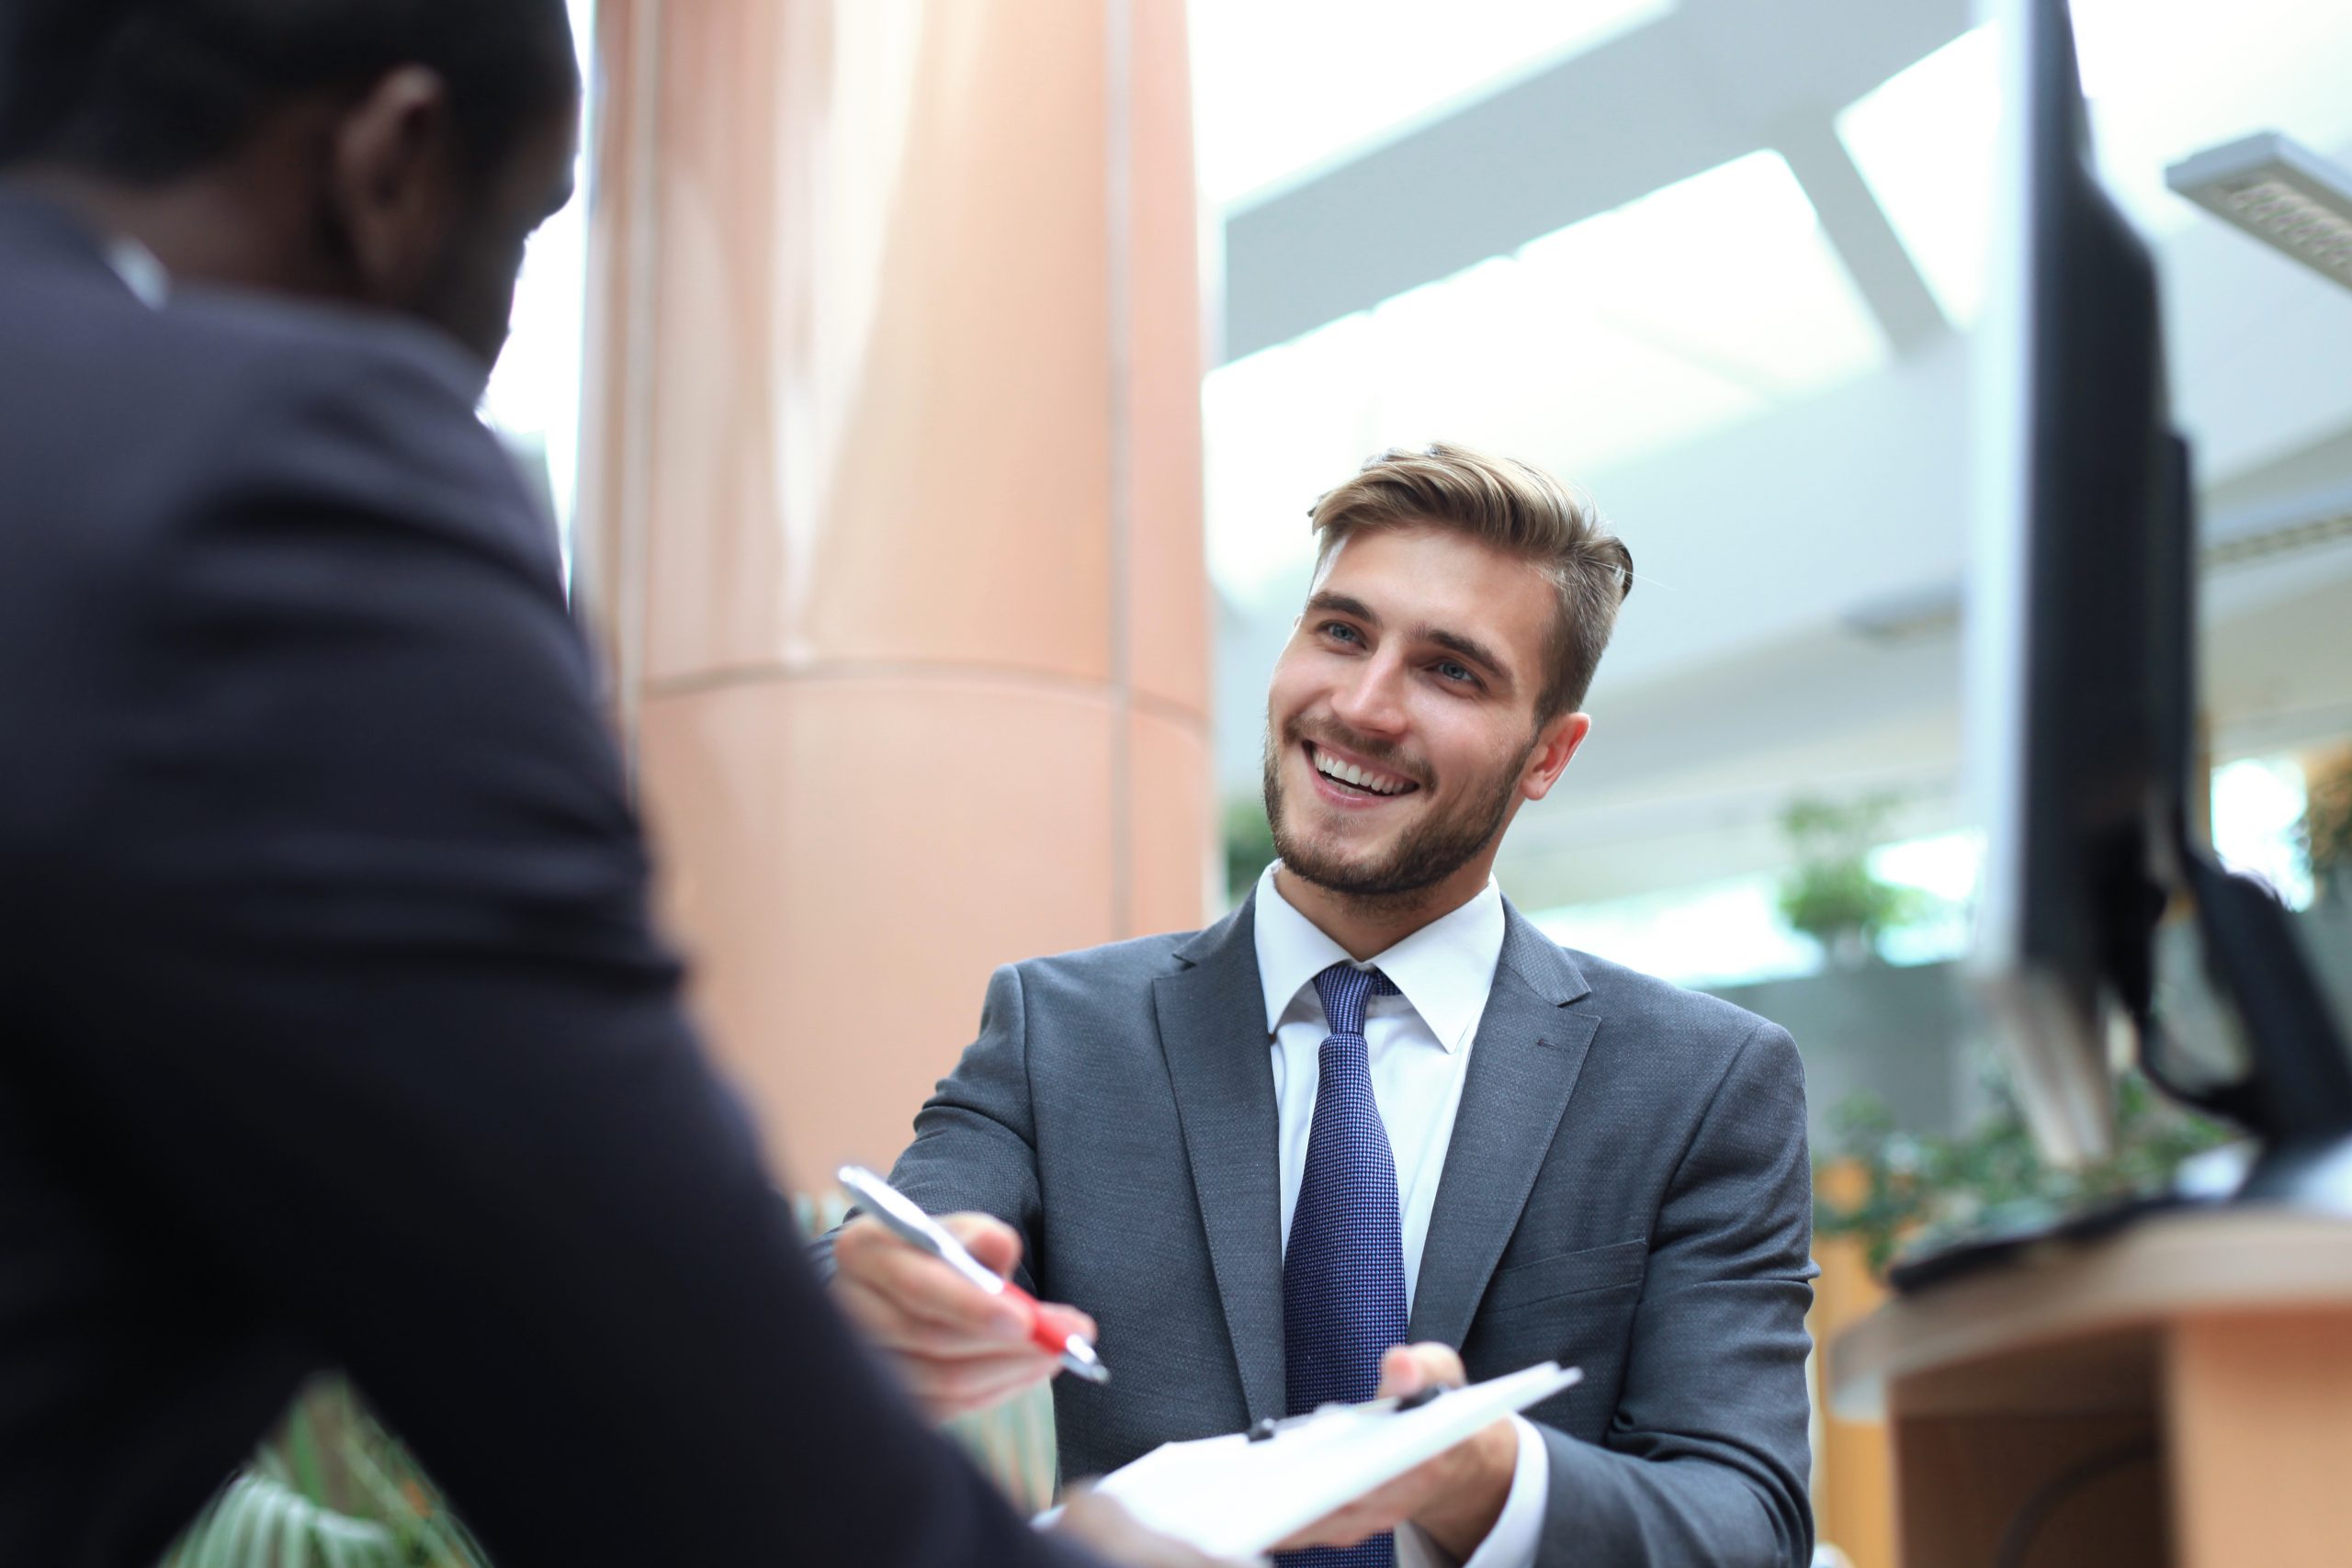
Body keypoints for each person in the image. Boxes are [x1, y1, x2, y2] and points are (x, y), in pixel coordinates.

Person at [0, 3, 1227, 1565]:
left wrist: (811, 1290)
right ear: (394, 161)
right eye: (522, 232)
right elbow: (687, 1467)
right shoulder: (268, 489)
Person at [820, 445, 1817, 1567]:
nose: (1360, 705)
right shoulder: (1059, 1030)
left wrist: (1483, 1476)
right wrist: (874, 1294)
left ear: (1547, 756)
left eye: (1450, 671)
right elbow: (878, 1260)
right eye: (1340, 632)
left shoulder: (1700, 1083)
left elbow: (1747, 1526)